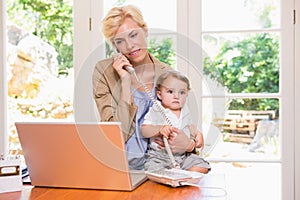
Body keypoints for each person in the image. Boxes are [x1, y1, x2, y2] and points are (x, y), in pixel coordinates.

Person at [92, 5, 202, 170]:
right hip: (123, 168)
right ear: (115, 46)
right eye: (120, 41)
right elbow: (115, 136)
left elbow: (184, 126)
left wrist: (190, 145)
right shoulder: (103, 72)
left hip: (165, 165)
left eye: (134, 35)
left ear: (145, 31)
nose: (130, 46)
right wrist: (126, 83)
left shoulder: (169, 75)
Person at [141, 70, 211, 173]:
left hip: (183, 156)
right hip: (160, 156)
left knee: (202, 166)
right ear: (159, 94)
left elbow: (189, 126)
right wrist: (159, 129)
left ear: (187, 94)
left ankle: (181, 176)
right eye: (170, 91)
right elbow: (144, 130)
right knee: (153, 170)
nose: (176, 96)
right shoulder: (157, 109)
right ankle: (172, 176)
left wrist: (197, 133)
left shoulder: (184, 109)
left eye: (182, 92)